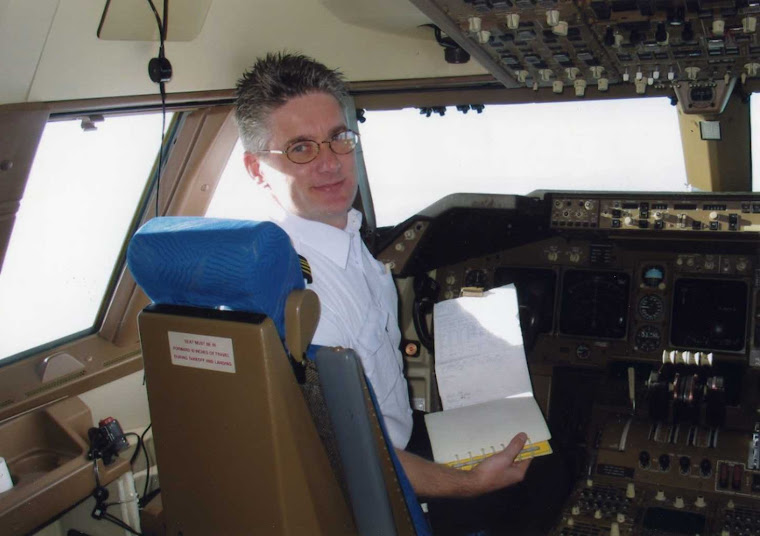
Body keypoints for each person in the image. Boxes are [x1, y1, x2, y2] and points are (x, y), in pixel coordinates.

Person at [235, 52, 531, 498]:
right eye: (300, 148)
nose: (330, 162)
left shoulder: (354, 248)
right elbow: (347, 451)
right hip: (378, 481)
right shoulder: (296, 291)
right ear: (258, 170)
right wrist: (468, 483)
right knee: (546, 482)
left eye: (338, 138)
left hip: (402, 443)